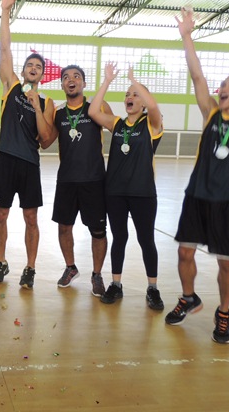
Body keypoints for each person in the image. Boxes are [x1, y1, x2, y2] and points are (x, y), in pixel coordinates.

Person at [165, 3, 229, 344]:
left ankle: (223, 312)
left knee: (226, 263)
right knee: (184, 252)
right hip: (197, 194)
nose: (223, 88)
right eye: (222, 84)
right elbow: (197, 76)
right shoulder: (211, 113)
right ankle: (189, 296)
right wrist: (187, 38)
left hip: (228, 200)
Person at [0, 0, 54, 289]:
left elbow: (46, 139)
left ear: (41, 74)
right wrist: (5, 11)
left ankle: (30, 267)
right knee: (1, 214)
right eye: (29, 64)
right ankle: (0, 261)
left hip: (30, 164)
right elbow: (4, 48)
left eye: (38, 66)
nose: (32, 68)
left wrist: (36, 108)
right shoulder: (11, 86)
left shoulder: (46, 102)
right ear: (23, 69)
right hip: (6, 161)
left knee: (30, 219)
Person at [88, 63, 165, 310]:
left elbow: (153, 106)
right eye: (128, 94)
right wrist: (107, 81)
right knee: (119, 237)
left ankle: (152, 288)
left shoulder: (151, 125)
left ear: (142, 102)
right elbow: (92, 111)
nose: (130, 97)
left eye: (135, 95)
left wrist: (135, 80)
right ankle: (116, 284)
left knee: (146, 240)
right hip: (116, 193)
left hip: (143, 193)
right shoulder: (118, 124)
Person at [40, 65, 111, 296]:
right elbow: (46, 141)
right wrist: (37, 110)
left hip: (94, 180)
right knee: (64, 227)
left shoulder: (97, 107)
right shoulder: (58, 113)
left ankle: (97, 274)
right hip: (67, 180)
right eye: (66, 78)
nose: (71, 80)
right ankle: (71, 267)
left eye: (76, 77)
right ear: (62, 85)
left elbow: (120, 129)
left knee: (98, 230)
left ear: (84, 83)